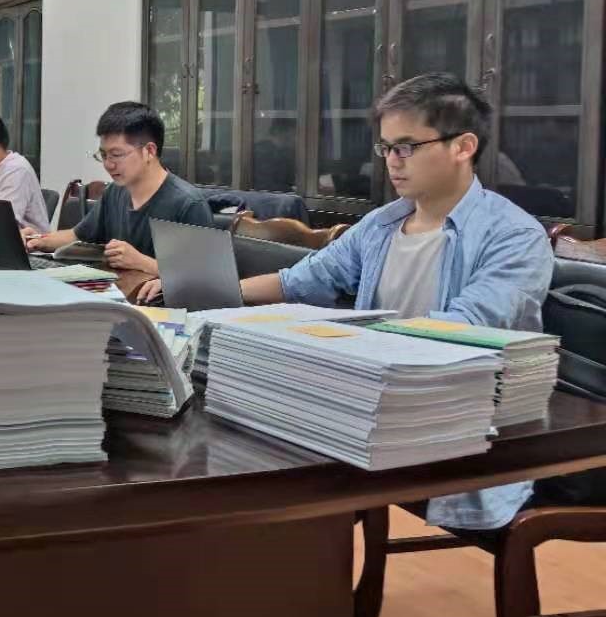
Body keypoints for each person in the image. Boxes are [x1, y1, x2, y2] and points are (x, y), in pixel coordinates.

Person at [137, 73, 555, 532]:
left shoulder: (514, 236)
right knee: (237, 420)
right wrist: (201, 292)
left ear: (463, 146)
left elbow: (465, 326)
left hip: (452, 416)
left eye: (407, 147)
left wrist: (350, 343)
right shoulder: (382, 224)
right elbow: (301, 280)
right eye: (386, 148)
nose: (391, 162)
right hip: (371, 400)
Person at [22, 101, 212, 273]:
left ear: (149, 151)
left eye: (116, 155)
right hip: (116, 294)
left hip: (158, 300)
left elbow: (204, 277)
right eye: (104, 155)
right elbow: (77, 236)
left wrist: (142, 262)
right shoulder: (115, 192)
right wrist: (38, 240)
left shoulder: (188, 204)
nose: (108, 164)